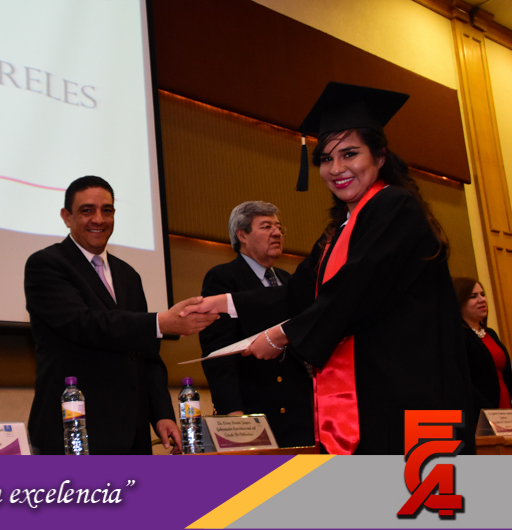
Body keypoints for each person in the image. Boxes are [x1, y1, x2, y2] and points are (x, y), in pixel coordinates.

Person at [181, 83, 473, 455]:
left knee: (417, 488)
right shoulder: (341, 229)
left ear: (380, 157)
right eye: (326, 159)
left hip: (411, 389)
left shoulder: (395, 207)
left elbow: (355, 290)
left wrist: (280, 336)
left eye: (349, 154)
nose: (336, 169)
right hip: (371, 392)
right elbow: (298, 292)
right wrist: (225, 303)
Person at [25, 175, 218, 455]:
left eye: (107, 210)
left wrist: (161, 414)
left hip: (133, 434)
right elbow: (84, 323)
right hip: (75, 429)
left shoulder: (128, 275)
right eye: (87, 210)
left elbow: (146, 354)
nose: (99, 219)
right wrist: (160, 322)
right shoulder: (46, 264)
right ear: (66, 217)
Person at [199, 201, 314, 448]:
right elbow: (219, 352)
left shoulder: (288, 280)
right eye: (266, 226)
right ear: (242, 235)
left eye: (279, 227)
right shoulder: (224, 278)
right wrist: (233, 414)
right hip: (255, 413)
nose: (276, 233)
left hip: (301, 412)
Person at [453, 277, 512, 424]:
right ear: (459, 302)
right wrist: (488, 411)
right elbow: (463, 381)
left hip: (505, 409)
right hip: (481, 414)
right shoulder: (458, 337)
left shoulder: (490, 334)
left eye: (483, 294)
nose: (482, 300)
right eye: (473, 296)